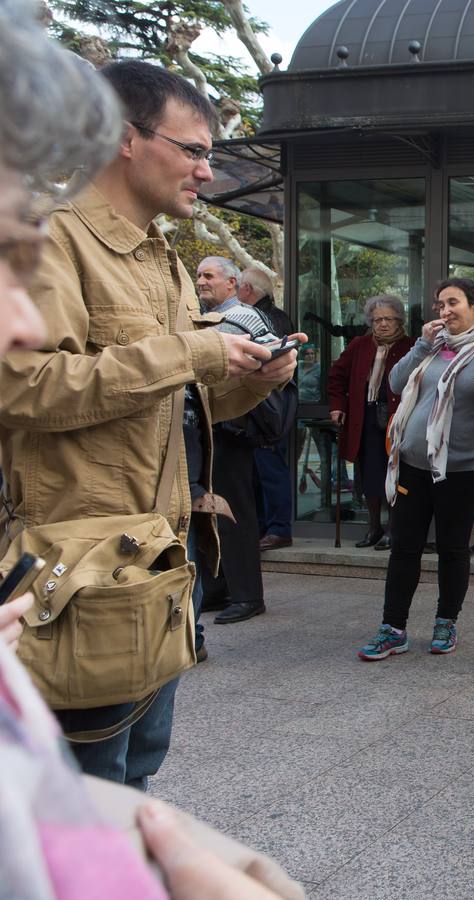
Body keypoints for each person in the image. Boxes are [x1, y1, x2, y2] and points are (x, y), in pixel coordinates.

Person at [0, 7, 298, 896]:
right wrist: (195, 350)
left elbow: (173, 397)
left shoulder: (164, 260)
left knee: (136, 788)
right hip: (79, 582)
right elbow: (23, 390)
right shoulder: (51, 242)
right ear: (129, 141)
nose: (209, 169)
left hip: (157, 577)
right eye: (195, 148)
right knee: (84, 822)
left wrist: (250, 376)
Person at [356, 278, 474, 659]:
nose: (445, 311)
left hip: (463, 469)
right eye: (440, 304)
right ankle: (393, 628)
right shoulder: (431, 347)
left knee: (454, 549)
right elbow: (396, 382)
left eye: (453, 303)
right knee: (404, 548)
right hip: (413, 465)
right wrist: (422, 343)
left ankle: (445, 622)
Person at [196, 257, 271, 625]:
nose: (200, 281)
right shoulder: (200, 316)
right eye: (198, 275)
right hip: (207, 426)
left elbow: (275, 356)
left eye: (208, 275)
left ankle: (247, 595)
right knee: (208, 508)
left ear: (232, 283)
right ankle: (216, 587)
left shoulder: (244, 316)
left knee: (235, 509)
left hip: (234, 429)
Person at [327, 296, 415, 549]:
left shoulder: (410, 346)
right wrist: (337, 407)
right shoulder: (359, 345)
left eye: (389, 319)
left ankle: (393, 529)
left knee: (396, 475)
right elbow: (336, 378)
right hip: (365, 420)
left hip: (397, 421)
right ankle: (374, 527)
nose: (383, 324)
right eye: (378, 320)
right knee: (370, 477)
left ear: (399, 320)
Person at [238, 266, 297, 553]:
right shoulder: (274, 315)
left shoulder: (263, 319)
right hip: (263, 409)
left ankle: (277, 528)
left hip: (267, 410)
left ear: (247, 289)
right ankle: (265, 527)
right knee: (259, 474)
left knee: (271, 471)